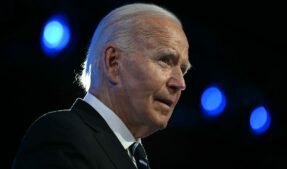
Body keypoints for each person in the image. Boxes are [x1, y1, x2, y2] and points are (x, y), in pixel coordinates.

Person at [12, 2, 191, 169]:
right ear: (113, 62)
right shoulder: (62, 135)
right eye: (165, 61)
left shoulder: (135, 158)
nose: (180, 83)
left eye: (183, 70)